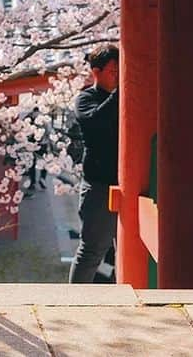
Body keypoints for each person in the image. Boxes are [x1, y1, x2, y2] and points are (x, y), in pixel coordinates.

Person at [68, 44, 120, 284]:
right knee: (91, 251)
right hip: (99, 185)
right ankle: (73, 303)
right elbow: (96, 121)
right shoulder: (85, 98)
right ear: (96, 72)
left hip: (127, 182)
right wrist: (121, 94)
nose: (118, 76)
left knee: (125, 251)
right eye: (113, 71)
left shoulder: (121, 96)